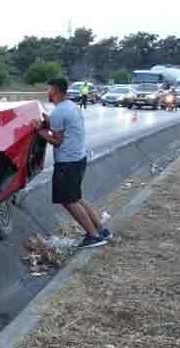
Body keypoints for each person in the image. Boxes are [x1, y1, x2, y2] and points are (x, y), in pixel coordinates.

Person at [34, 78, 111, 249]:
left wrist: (39, 130)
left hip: (67, 162)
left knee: (69, 201)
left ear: (55, 91)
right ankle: (101, 230)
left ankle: (94, 236)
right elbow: (60, 127)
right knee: (76, 198)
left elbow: (57, 141)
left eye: (49, 90)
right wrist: (48, 122)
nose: (48, 93)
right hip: (78, 158)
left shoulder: (59, 112)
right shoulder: (71, 107)